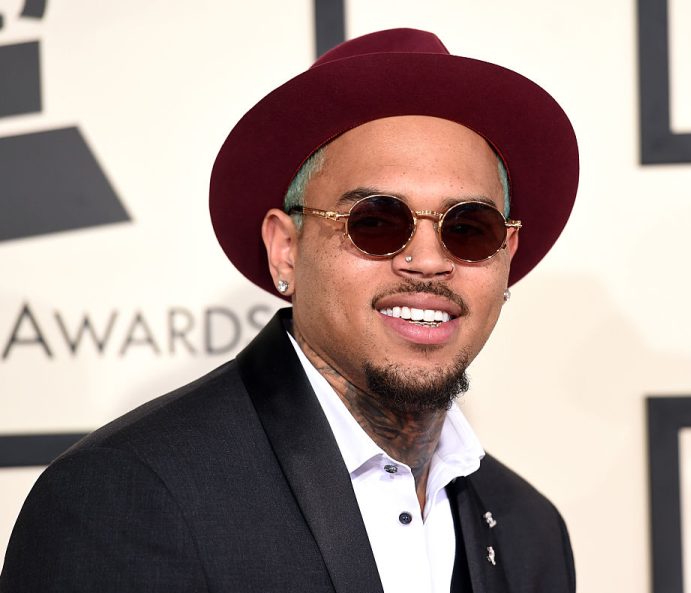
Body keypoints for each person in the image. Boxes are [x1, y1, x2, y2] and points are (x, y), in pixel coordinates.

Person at [1, 28, 579, 593]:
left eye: (469, 229)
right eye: (375, 222)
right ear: (286, 249)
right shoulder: (125, 499)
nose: (427, 261)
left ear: (507, 256)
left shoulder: (531, 530)